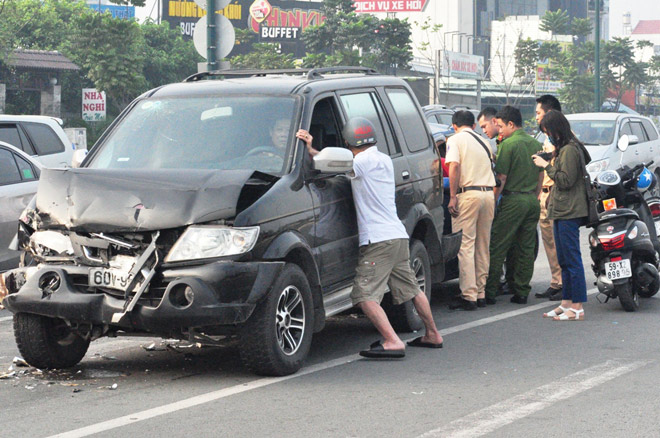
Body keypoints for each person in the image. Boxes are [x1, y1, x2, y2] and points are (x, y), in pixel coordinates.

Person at [298, 118, 444, 357]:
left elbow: (327, 164)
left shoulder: (362, 162)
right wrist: (315, 149)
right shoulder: (384, 159)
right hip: (397, 236)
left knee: (364, 296)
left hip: (379, 241)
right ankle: (433, 334)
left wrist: (310, 149)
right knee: (412, 290)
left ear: (348, 141)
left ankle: (392, 341)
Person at [532, 110, 590, 320]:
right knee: (563, 259)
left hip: (570, 210)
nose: (548, 136)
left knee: (572, 259)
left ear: (557, 129)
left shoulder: (570, 150)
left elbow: (565, 180)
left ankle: (577, 307)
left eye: (548, 131)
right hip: (561, 209)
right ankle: (566, 303)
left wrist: (546, 165)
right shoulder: (563, 149)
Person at [484, 106, 544, 305]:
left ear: (511, 124)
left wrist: (493, 202)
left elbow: (501, 177)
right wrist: (534, 196)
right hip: (531, 201)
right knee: (525, 248)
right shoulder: (536, 143)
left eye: (500, 126)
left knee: (498, 245)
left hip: (512, 200)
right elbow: (541, 174)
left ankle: (490, 291)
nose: (499, 130)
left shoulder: (509, 145)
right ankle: (521, 291)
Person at [445, 111, 496, 310]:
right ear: (473, 125)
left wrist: (452, 196)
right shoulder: (484, 142)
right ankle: (481, 292)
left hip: (468, 194)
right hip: (487, 195)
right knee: (483, 244)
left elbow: (454, 167)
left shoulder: (455, 139)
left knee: (465, 245)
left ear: (454, 125)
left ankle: (469, 295)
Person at [534, 95, 564, 301]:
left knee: (558, 243)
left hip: (555, 196)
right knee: (549, 244)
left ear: (549, 113)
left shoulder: (561, 140)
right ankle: (556, 282)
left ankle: (564, 284)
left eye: (538, 113)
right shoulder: (547, 139)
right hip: (544, 197)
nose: (536, 118)